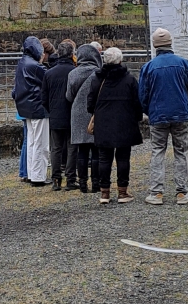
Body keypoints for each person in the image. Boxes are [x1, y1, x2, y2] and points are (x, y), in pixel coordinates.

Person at [138, 28, 188, 205]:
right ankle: (181, 192)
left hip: (158, 115)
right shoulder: (183, 63)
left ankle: (156, 192)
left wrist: (150, 111)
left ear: (155, 45)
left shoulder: (148, 67)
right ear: (171, 43)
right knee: (181, 151)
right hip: (180, 113)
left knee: (158, 151)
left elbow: (142, 95)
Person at [86, 47, 144, 204]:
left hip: (103, 122)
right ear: (120, 60)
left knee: (104, 158)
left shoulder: (98, 79)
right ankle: (122, 192)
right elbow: (137, 103)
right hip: (125, 122)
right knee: (123, 157)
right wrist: (137, 118)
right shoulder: (129, 79)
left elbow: (90, 103)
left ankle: (104, 193)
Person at [12, 36, 50, 184]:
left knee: (32, 143)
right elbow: (48, 80)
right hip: (38, 107)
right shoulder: (35, 66)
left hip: (25, 107)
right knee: (41, 143)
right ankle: (39, 176)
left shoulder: (22, 63)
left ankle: (30, 173)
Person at [65, 43, 102, 192]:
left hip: (77, 114)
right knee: (96, 151)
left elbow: (68, 96)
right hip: (94, 114)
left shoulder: (73, 74)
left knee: (82, 151)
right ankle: (96, 183)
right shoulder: (98, 72)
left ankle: (82, 184)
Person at [41, 40, 76, 190]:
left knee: (55, 148)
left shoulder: (49, 73)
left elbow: (44, 98)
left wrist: (52, 109)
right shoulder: (74, 71)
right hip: (71, 114)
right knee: (71, 147)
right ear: (71, 54)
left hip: (55, 114)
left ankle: (56, 180)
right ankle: (70, 180)